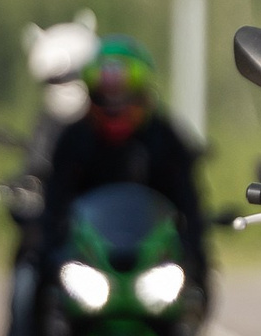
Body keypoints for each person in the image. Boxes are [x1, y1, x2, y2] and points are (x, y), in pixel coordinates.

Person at [38, 35, 205, 290]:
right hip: (88, 261)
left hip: (151, 261)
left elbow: (188, 204)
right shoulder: (75, 138)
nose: (114, 93)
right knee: (30, 278)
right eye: (105, 82)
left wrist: (192, 256)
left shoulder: (164, 138)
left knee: (195, 286)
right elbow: (55, 202)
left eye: (124, 82)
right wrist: (51, 251)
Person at [5, 19, 101, 336]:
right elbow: (32, 168)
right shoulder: (46, 126)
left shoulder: (112, 123)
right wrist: (23, 190)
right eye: (58, 76)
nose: (66, 83)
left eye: (74, 73)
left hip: (104, 233)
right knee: (27, 271)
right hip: (63, 232)